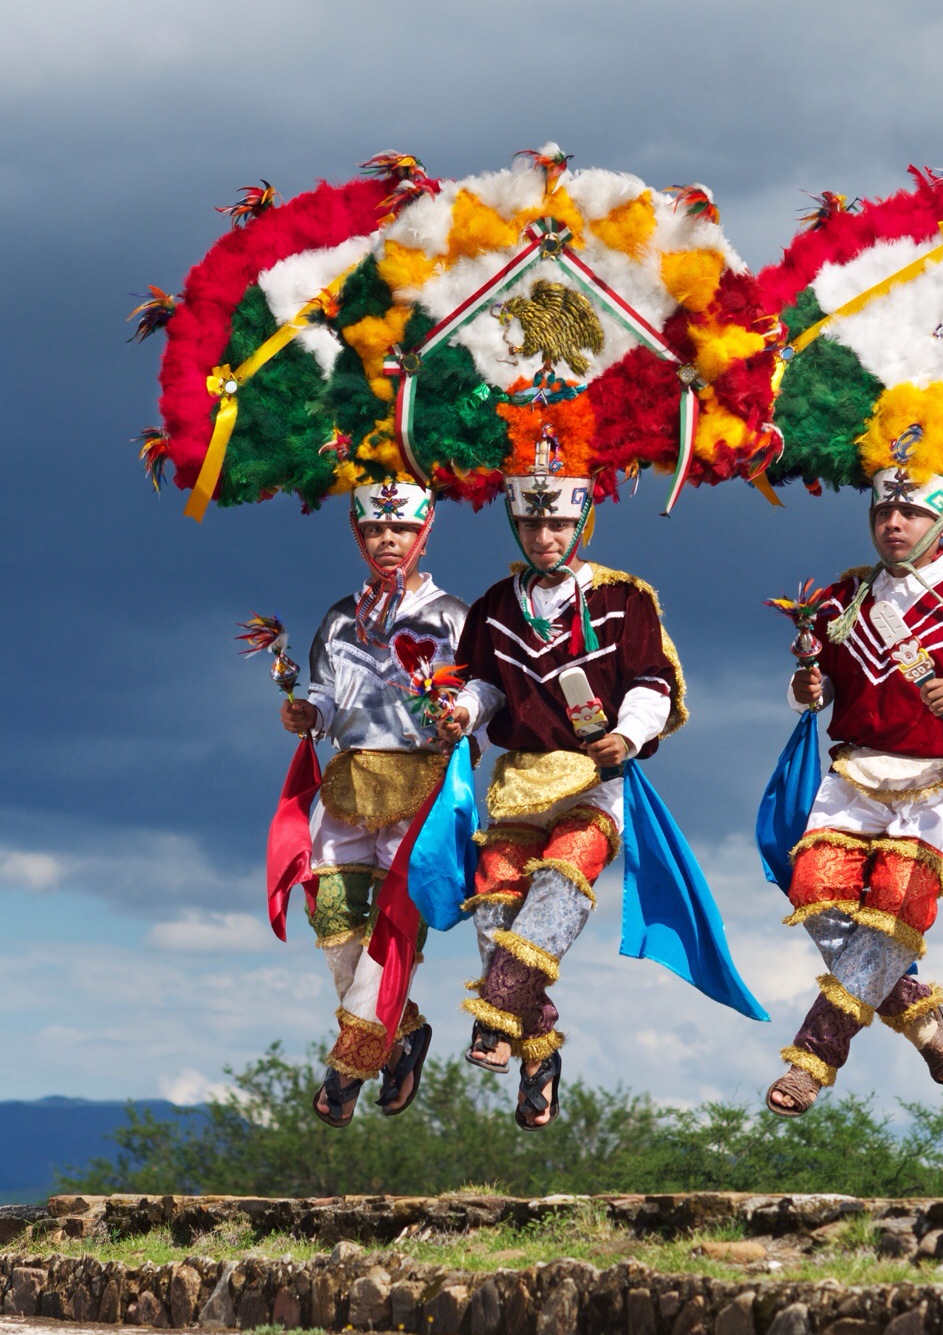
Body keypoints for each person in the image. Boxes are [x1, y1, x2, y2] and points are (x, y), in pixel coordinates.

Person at [764, 467, 943, 1116]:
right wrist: (804, 691)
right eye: (885, 512)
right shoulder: (839, 598)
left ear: (941, 522)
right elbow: (815, 682)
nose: (894, 524)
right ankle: (918, 1013)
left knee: (892, 911)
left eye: (911, 513)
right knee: (814, 895)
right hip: (852, 776)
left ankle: (812, 1061)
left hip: (933, 785)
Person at [439, 444, 686, 1129]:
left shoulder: (622, 598)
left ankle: (495, 1020)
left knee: (558, 889)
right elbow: (483, 683)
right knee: (494, 906)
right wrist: (463, 712)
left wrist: (628, 736)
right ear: (514, 525)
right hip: (518, 782)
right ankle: (540, 1051)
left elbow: (651, 684)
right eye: (529, 526)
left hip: (592, 784)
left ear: (583, 523)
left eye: (556, 526)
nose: (544, 538)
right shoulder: (494, 604)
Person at [280, 478, 468, 1127]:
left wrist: (462, 713)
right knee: (331, 917)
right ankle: (403, 1032)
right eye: (375, 531)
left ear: (424, 533)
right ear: (359, 536)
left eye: (402, 530)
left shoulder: (452, 616)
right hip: (350, 778)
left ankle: (348, 1065)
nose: (388, 541)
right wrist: (310, 709)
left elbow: (481, 693)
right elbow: (330, 693)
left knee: (393, 926)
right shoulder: (339, 618)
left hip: (420, 782)